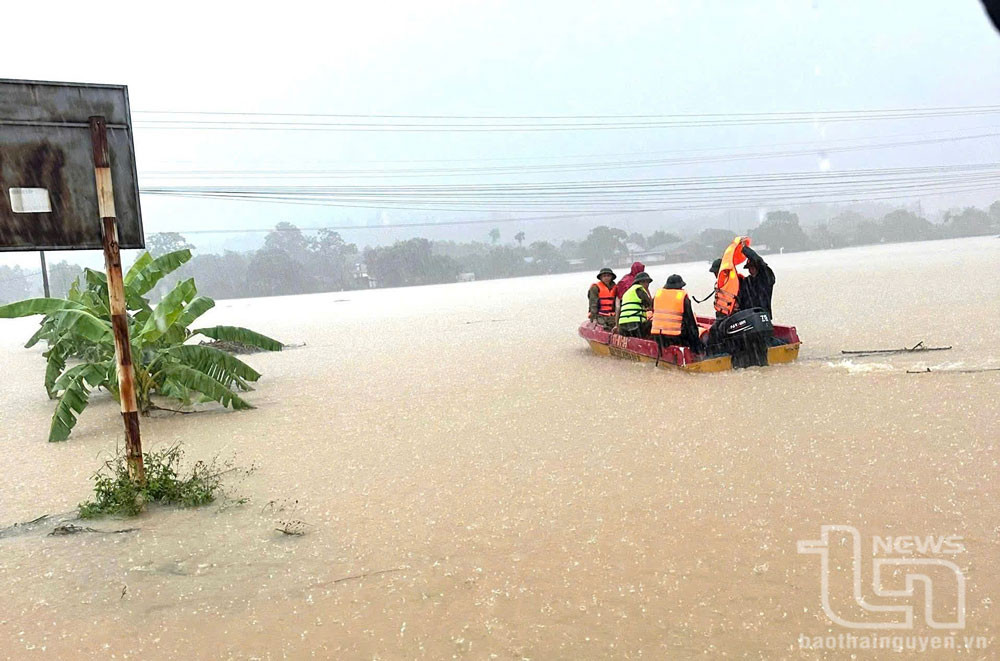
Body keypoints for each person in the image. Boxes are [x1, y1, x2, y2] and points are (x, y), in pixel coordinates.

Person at [651, 274, 703, 353]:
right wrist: (696, 339)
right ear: (680, 286)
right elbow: (690, 321)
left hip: (658, 337)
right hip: (675, 337)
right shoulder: (682, 298)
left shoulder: (657, 296)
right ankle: (697, 353)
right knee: (693, 335)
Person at [736, 245, 776, 319]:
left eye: (752, 267)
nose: (751, 270)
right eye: (749, 268)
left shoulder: (766, 278)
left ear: (757, 267)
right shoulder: (746, 281)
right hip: (748, 317)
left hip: (763, 317)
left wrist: (743, 248)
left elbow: (760, 262)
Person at [617, 271, 653, 337]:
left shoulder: (626, 293)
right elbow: (650, 305)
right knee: (654, 323)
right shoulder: (640, 290)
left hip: (623, 327)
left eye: (647, 282)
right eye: (644, 282)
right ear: (639, 282)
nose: (647, 284)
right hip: (635, 326)